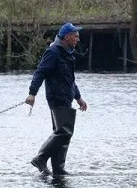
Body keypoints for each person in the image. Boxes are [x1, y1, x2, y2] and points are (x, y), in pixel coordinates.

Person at [25, 22, 89, 176]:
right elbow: (40, 72)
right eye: (75, 36)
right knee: (64, 132)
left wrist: (78, 97)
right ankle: (40, 158)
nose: (78, 39)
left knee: (64, 133)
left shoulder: (67, 53)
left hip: (66, 97)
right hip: (57, 97)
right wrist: (32, 93)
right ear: (67, 37)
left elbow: (70, 80)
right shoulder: (53, 52)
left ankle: (58, 169)